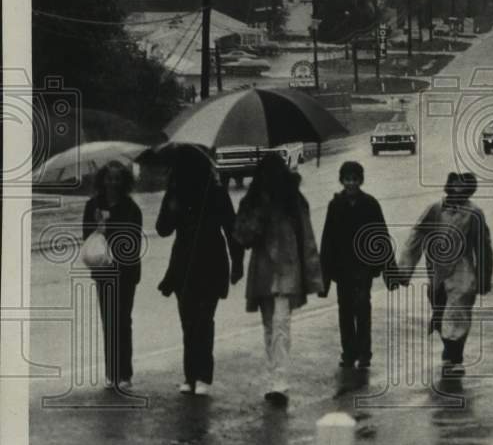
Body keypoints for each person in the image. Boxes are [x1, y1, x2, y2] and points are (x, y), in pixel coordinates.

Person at [233, 154, 324, 406]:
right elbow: (241, 237)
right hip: (264, 272)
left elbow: (306, 237)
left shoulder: (293, 200)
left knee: (280, 325)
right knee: (270, 327)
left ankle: (279, 381)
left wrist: (314, 275)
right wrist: (257, 217)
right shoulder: (252, 202)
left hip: (287, 270)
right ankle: (274, 376)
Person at [156, 146, 244, 396]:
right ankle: (191, 375)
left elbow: (231, 228)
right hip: (184, 264)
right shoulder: (175, 193)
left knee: (202, 320)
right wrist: (171, 208)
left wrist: (237, 262)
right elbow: (162, 229)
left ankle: (202, 375)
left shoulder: (215, 193)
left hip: (210, 261)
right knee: (189, 321)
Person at [397, 172, 493, 376]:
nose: (458, 189)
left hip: (462, 267)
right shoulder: (435, 209)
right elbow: (416, 236)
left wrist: (483, 277)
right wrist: (404, 270)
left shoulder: (474, 213)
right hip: (437, 269)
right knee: (440, 310)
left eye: (463, 186)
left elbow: (483, 246)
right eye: (455, 184)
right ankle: (449, 352)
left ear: (469, 190)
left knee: (457, 311)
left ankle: (456, 359)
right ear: (449, 185)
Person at [319, 161, 395, 370]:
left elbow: (381, 235)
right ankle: (348, 353)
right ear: (341, 180)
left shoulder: (370, 204)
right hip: (342, 268)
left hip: (363, 267)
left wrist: (390, 270)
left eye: (354, 179)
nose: (351, 183)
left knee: (362, 308)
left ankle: (364, 353)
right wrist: (324, 274)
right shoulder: (335, 205)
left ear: (361, 180)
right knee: (345, 310)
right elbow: (328, 239)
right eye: (347, 179)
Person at [82, 161, 144, 391]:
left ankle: (125, 373)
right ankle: (111, 373)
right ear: (103, 180)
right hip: (104, 272)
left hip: (126, 272)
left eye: (117, 178)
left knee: (123, 321)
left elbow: (133, 240)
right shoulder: (92, 205)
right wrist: (97, 227)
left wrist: (110, 229)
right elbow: (86, 236)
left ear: (124, 181)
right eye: (109, 178)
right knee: (109, 321)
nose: (113, 183)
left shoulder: (131, 208)